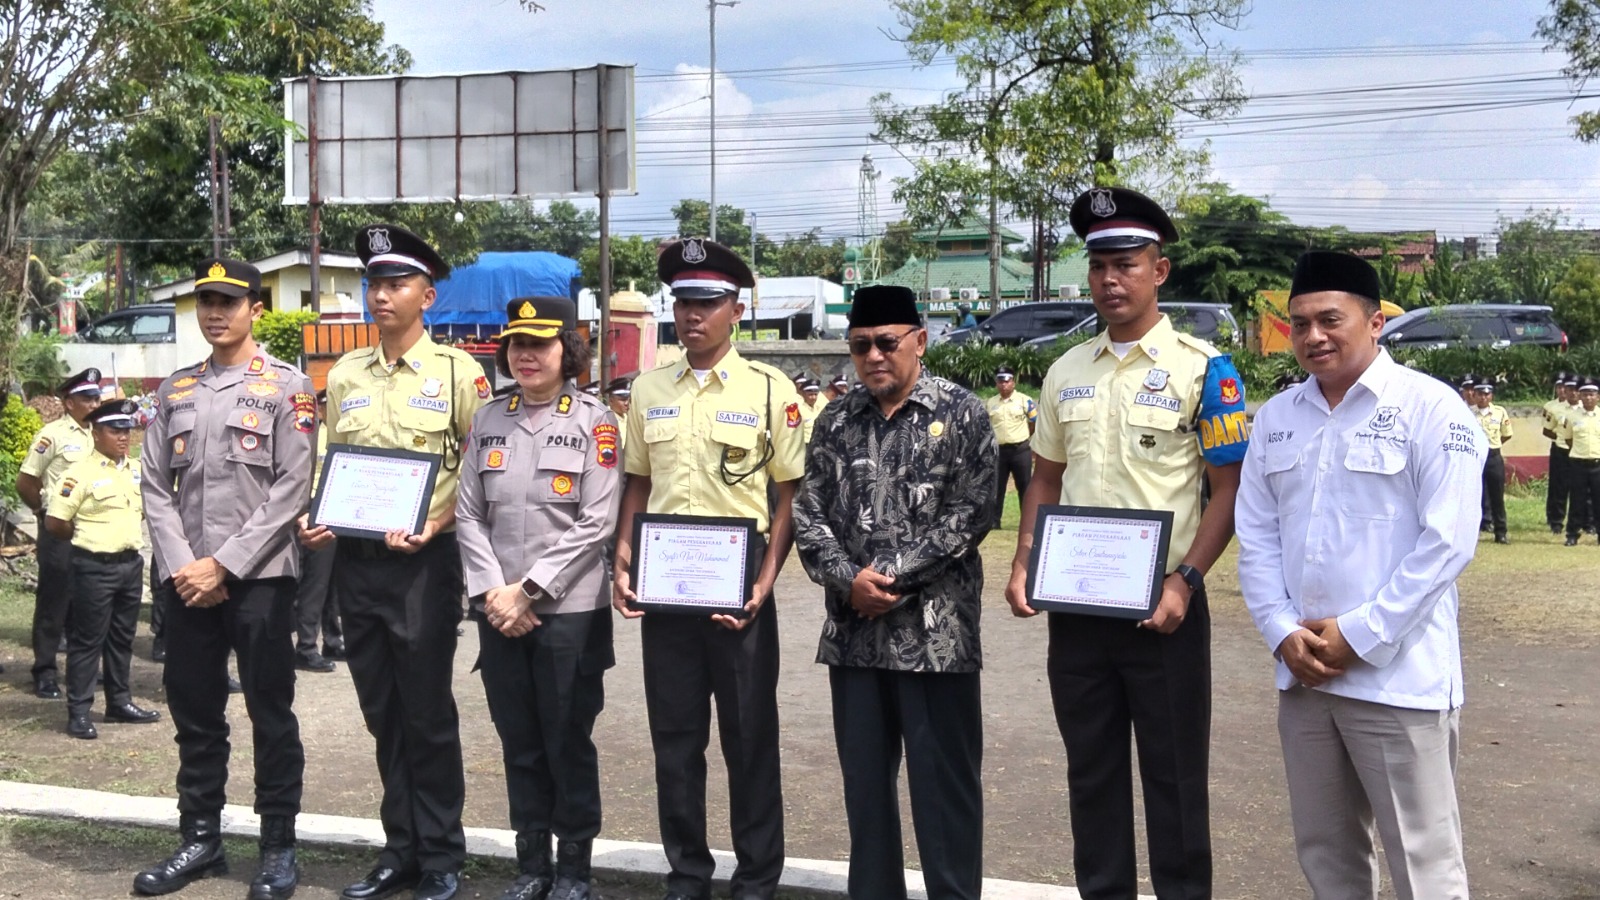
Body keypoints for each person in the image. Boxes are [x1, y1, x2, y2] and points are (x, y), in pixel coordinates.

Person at [1003, 187, 1249, 900]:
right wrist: (1023, 563)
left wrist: (1187, 582)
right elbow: (1045, 479)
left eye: (1126, 264)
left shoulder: (1206, 369)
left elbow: (1229, 490)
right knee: (1092, 775)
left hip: (1163, 610)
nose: (1110, 280)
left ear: (1159, 271)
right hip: (1078, 608)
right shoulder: (1065, 371)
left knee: (1175, 780)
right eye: (1099, 266)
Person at [1235, 250, 1484, 899]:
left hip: (1398, 681)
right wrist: (1281, 631)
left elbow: (1449, 542)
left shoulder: (1432, 409)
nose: (1313, 336)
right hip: (1305, 675)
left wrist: (1362, 634)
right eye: (1299, 324)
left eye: (1330, 320)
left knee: (1424, 864)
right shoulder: (1277, 418)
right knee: (1327, 856)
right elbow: (1256, 537)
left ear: (1375, 323)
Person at [612, 237, 804, 900]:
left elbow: (790, 494)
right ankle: (687, 872)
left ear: (736, 310)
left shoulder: (771, 389)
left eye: (709, 302)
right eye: (684, 302)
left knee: (750, 739)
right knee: (674, 741)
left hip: (739, 582)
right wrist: (623, 557)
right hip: (665, 586)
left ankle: (757, 875)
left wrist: (765, 581)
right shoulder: (647, 389)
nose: (693, 315)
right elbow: (638, 482)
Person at [793, 284, 998, 900]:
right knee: (866, 795)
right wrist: (847, 579)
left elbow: (971, 514)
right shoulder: (835, 420)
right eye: (860, 346)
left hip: (937, 641)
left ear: (920, 341)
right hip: (854, 636)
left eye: (886, 342)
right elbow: (809, 514)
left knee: (946, 795)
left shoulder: (962, 413)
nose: (874, 356)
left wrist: (892, 576)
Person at [301, 224, 486, 900]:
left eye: (396, 284)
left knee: (427, 713)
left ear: (426, 296)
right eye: (374, 284)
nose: (380, 295)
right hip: (356, 563)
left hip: (425, 565)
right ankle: (399, 849)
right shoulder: (346, 373)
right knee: (381, 710)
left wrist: (438, 522)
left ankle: (440, 855)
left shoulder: (459, 374)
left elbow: (481, 472)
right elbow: (329, 458)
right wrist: (316, 514)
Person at [136, 257, 315, 899]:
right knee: (194, 708)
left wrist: (225, 564)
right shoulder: (175, 390)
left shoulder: (287, 387)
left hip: (260, 578)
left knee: (271, 712)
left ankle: (277, 847)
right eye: (206, 302)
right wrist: (186, 564)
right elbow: (154, 485)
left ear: (255, 310)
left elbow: (293, 486)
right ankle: (200, 837)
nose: (215, 313)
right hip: (186, 578)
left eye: (229, 302)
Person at [457, 296, 622, 900]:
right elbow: (468, 513)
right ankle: (532, 866)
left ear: (567, 350)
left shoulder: (595, 422)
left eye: (540, 344)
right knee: (519, 741)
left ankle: (574, 869)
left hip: (567, 613)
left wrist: (527, 592)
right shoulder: (488, 420)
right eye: (517, 344)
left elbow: (597, 521)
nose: (525, 355)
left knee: (567, 741)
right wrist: (493, 594)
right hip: (499, 612)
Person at [44, 398, 161, 740]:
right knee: (87, 642)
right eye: (114, 430)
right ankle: (79, 711)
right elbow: (56, 522)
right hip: (93, 567)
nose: (123, 437)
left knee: (122, 639)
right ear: (96, 433)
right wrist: (88, 538)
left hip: (129, 565)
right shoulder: (79, 473)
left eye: (127, 430)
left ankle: (119, 702)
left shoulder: (137, 470)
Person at [18, 368, 102, 699]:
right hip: (60, 530)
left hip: (94, 530)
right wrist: (42, 513)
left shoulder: (102, 433)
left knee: (88, 603)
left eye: (96, 398)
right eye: (87, 399)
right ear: (69, 403)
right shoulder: (51, 435)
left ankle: (83, 669)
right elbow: (26, 481)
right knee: (54, 601)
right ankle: (45, 670)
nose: (94, 404)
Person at [292, 390, 341, 672]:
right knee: (315, 581)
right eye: (324, 406)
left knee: (333, 581)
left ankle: (333, 640)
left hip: (337, 506)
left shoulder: (340, 433)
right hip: (312, 507)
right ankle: (306, 647)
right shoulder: (308, 433)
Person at [984, 365, 1035, 527]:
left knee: (1025, 486)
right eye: (1000, 382)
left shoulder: (1024, 400)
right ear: (996, 383)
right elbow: (987, 426)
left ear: (1013, 382)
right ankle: (994, 522)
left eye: (1007, 381)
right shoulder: (991, 403)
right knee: (997, 488)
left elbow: (1034, 421)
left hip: (1020, 450)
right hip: (999, 452)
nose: (1004, 385)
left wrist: (1025, 436)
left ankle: (1027, 521)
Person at [1472, 378, 1512, 543]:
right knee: (1474, 496)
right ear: (1474, 395)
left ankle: (1500, 532)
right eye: (1480, 394)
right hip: (1475, 458)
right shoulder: (1468, 412)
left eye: (1486, 394)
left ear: (1491, 396)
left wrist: (1493, 447)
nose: (1483, 397)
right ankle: (1474, 531)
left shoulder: (1499, 412)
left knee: (1497, 496)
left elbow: (1506, 434)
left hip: (1493, 457)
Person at [1562, 377, 1600, 547]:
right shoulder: (1571, 416)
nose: (1588, 398)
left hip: (1598, 464)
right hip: (1578, 464)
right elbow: (1568, 439)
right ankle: (1572, 535)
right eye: (1585, 394)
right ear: (1580, 396)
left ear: (1598, 396)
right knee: (1577, 501)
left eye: (1591, 394)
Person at [1544, 372, 1574, 535]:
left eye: (1566, 387)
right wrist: (1561, 438)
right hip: (1560, 449)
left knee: (1583, 488)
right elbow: (1547, 430)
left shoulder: (1582, 408)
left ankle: (1586, 521)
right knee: (1558, 487)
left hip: (1580, 452)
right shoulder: (1553, 407)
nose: (1563, 391)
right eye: (1560, 387)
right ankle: (1555, 520)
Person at [797, 378, 827, 443]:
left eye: (815, 394)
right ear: (803, 394)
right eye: (810, 394)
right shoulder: (799, 409)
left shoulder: (818, 408)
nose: (813, 397)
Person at [605, 377, 632, 447]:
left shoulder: (628, 417)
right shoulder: (606, 419)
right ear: (611, 401)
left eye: (628, 399)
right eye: (623, 400)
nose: (626, 403)